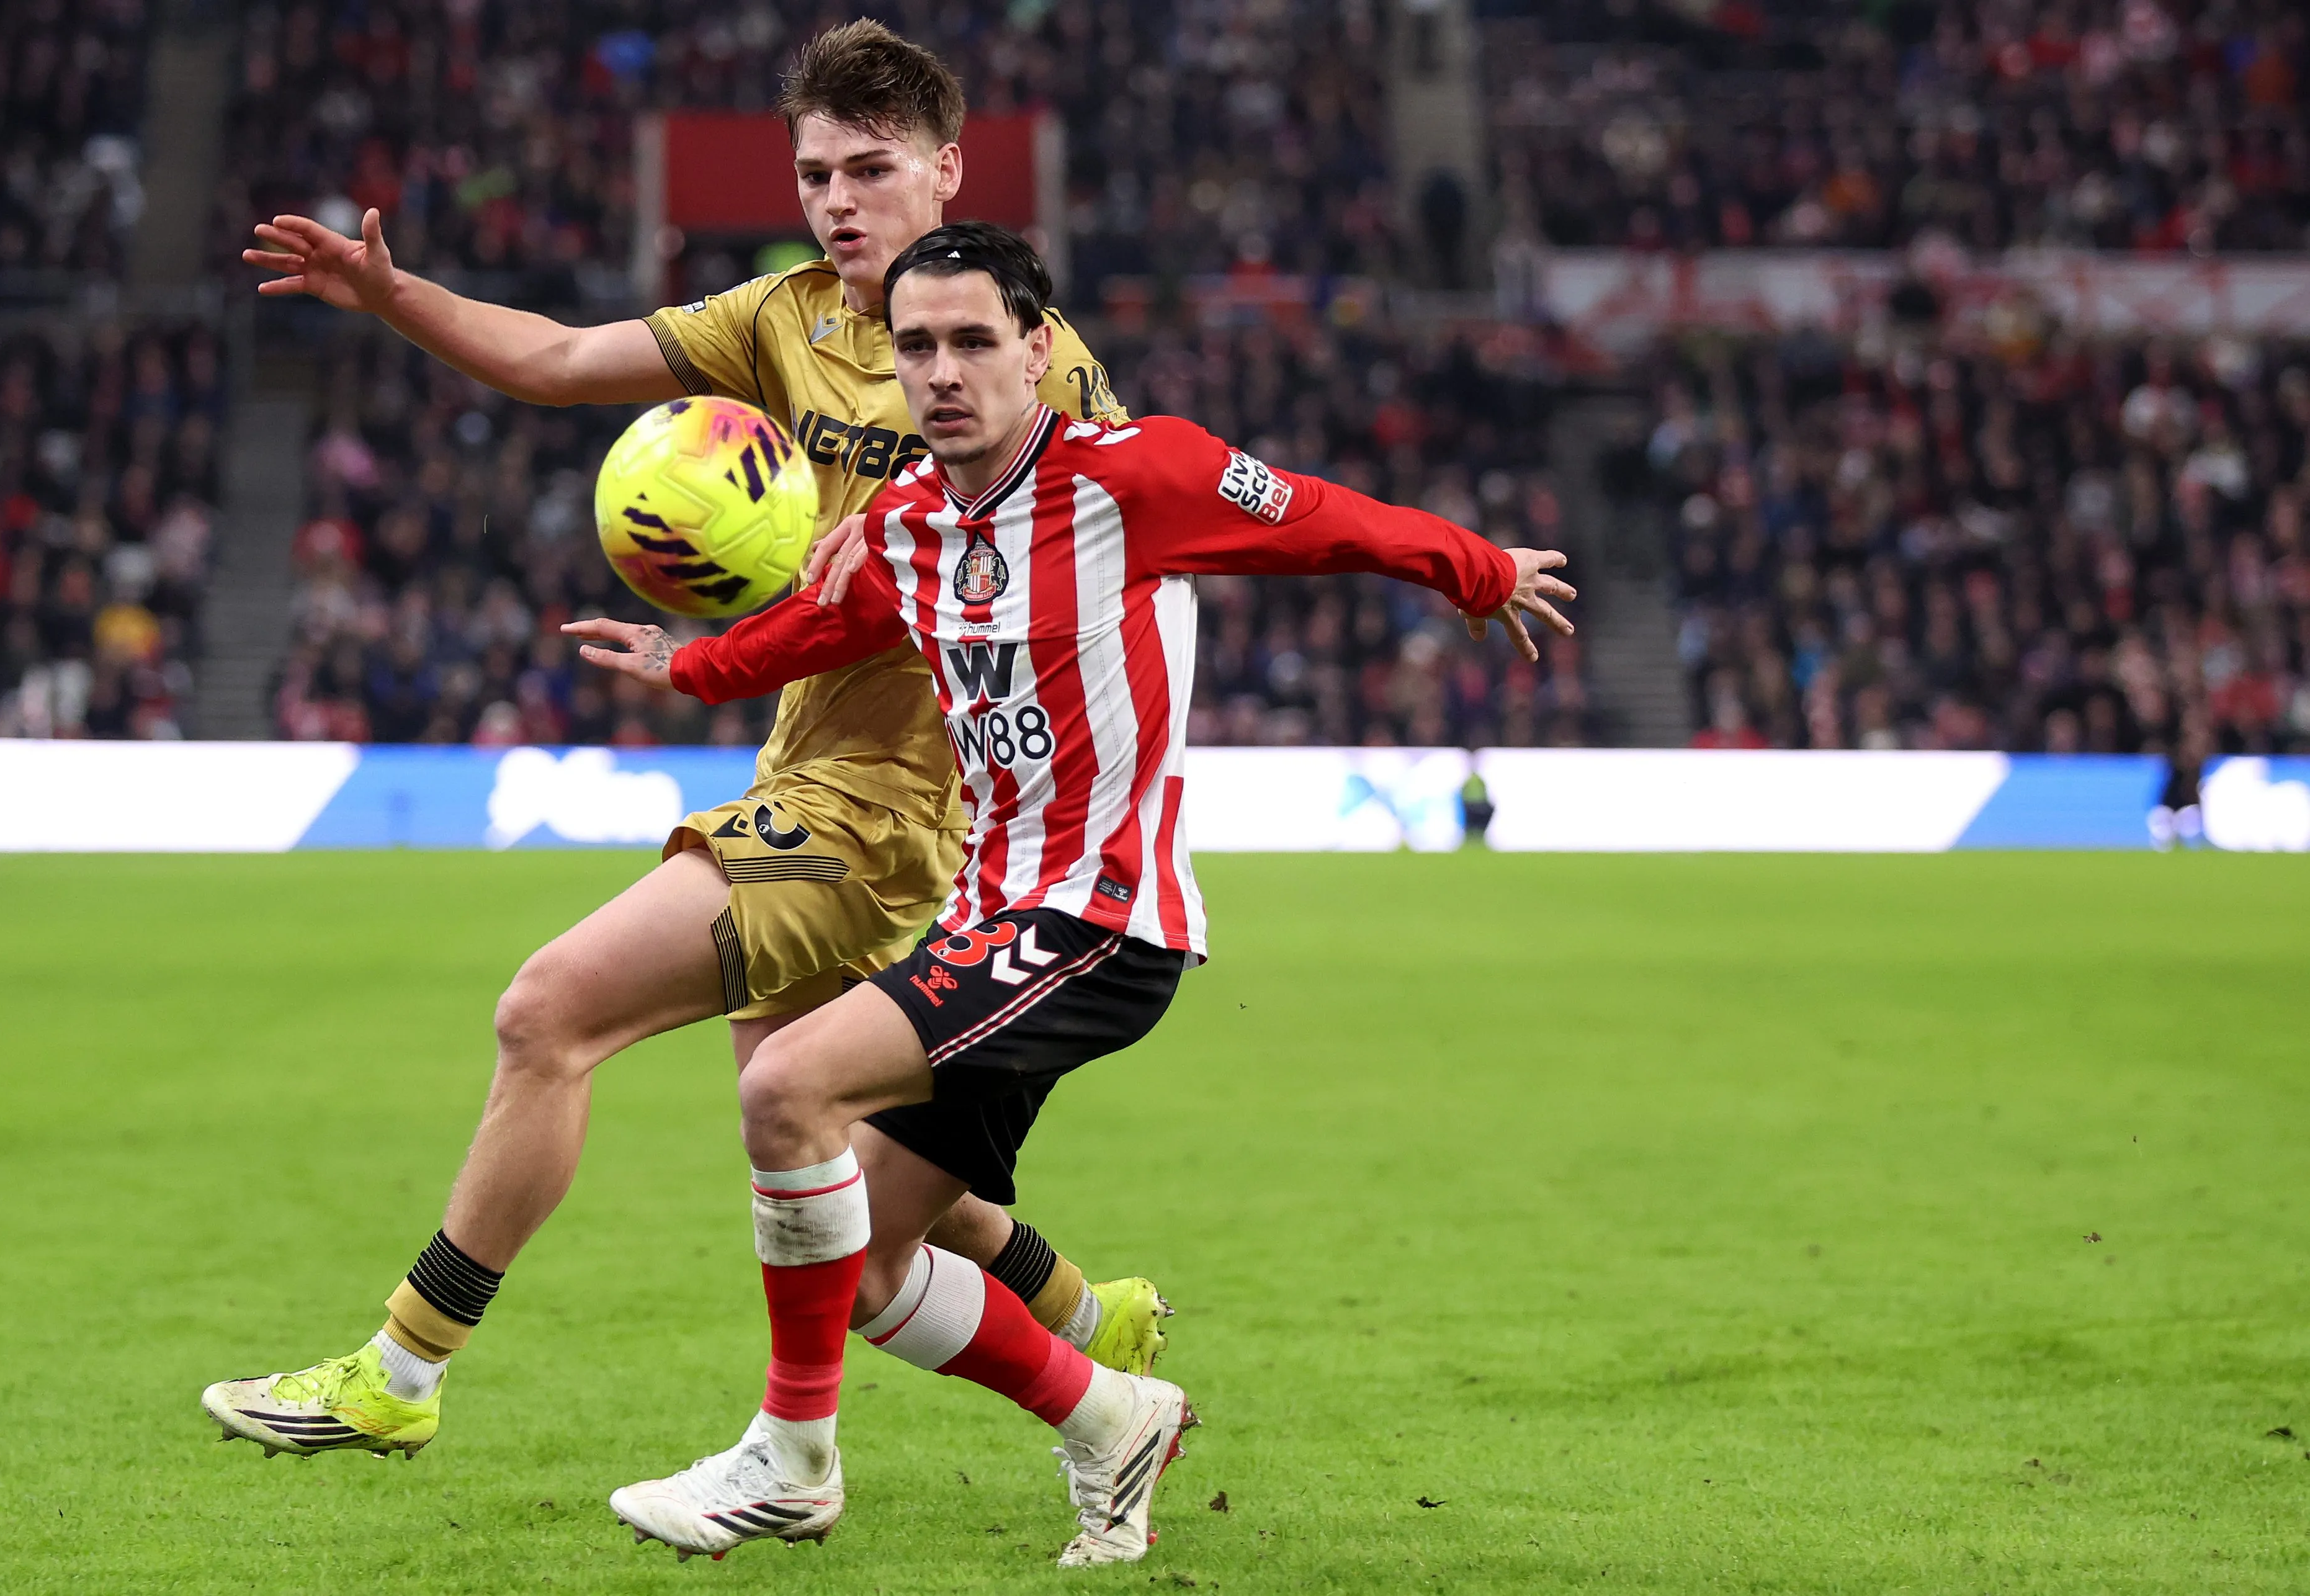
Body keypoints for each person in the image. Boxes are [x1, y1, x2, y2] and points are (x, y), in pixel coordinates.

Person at [202, 22, 1167, 1464]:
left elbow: (1093, 586)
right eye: (815, 172)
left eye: (871, 169)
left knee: (551, 1009)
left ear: (947, 170)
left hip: (898, 809)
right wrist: (394, 295)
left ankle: (402, 1368)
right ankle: (1093, 1320)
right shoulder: (785, 318)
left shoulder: (1025, 364)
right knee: (830, 1144)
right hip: (804, 775)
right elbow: (562, 357)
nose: (837, 201)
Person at [568, 222, 1574, 1566]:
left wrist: (1479, 568)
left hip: (1099, 921)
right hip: (998, 927)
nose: (941, 370)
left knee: (783, 1086)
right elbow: (824, 630)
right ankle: (1109, 1413)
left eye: (974, 340)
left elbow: (1324, 518)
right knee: (863, 1267)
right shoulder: (915, 526)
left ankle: (791, 1458)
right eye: (915, 344)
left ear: (1036, 351)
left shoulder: (1135, 475)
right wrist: (685, 671)